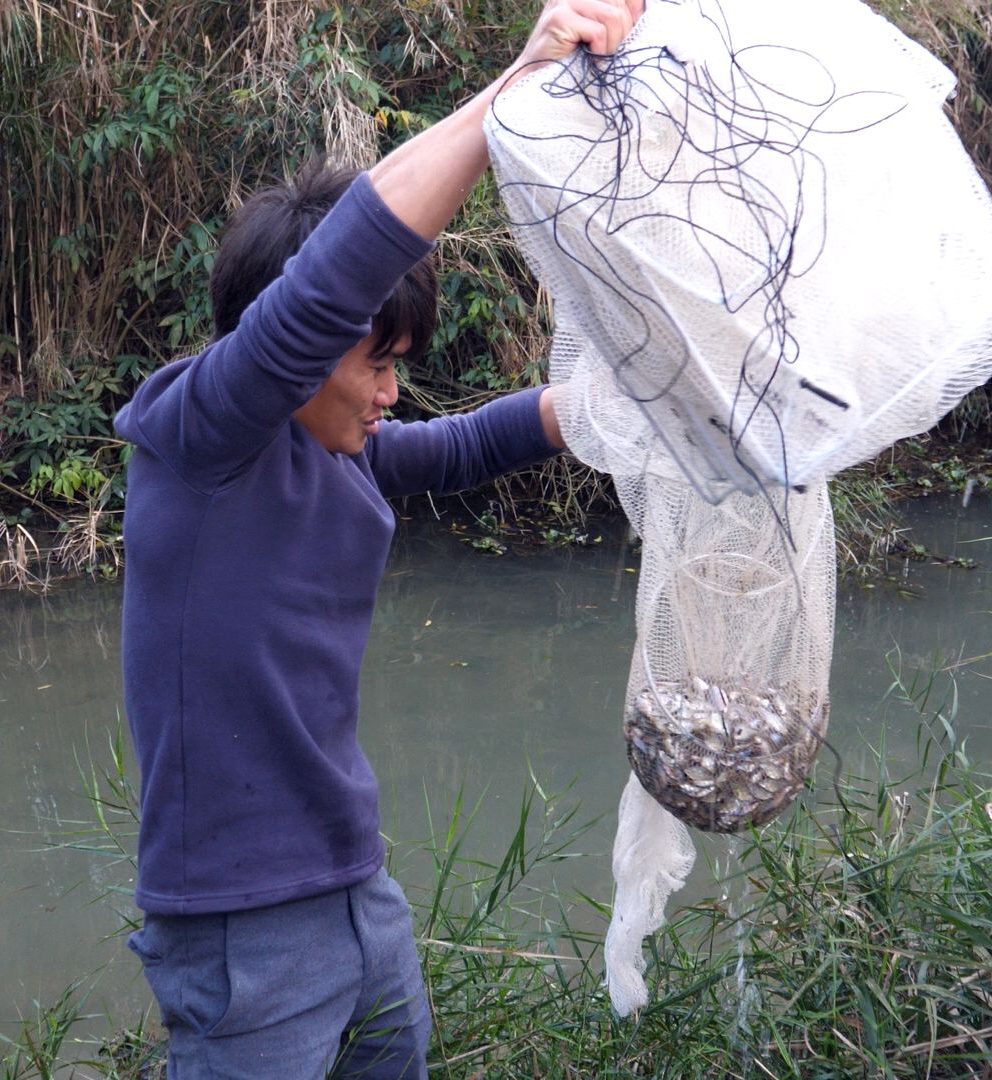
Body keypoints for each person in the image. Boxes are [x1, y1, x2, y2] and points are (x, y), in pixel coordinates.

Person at [113, 0, 643, 1075]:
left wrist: (600, 406)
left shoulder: (340, 456)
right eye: (376, 360)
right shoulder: (203, 439)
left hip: (358, 893)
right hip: (240, 928)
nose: (393, 390)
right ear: (293, 349)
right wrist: (518, 93)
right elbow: (337, 276)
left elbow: (455, 449)